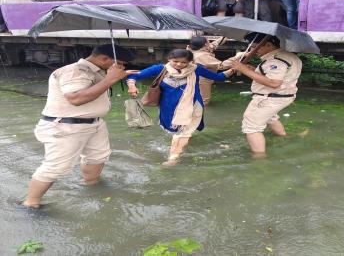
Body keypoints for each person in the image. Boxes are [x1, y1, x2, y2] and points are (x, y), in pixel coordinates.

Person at [23, 44, 137, 208]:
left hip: (93, 123)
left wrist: (118, 76)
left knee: (98, 157)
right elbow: (75, 98)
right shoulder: (75, 71)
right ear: (104, 59)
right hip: (66, 126)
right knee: (55, 167)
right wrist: (110, 79)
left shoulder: (98, 71)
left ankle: (92, 184)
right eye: (120, 63)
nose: (121, 66)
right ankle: (31, 203)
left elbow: (94, 88)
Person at [127, 49, 234, 165]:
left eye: (183, 62)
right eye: (175, 61)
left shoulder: (196, 69)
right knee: (176, 131)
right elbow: (134, 76)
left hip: (193, 106)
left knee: (183, 133)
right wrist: (132, 86)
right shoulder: (160, 69)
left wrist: (234, 69)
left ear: (190, 62)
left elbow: (218, 77)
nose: (179, 64)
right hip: (168, 106)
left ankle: (173, 158)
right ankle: (183, 144)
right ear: (169, 59)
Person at [231, 34, 302, 158]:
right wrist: (254, 71)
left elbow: (274, 82)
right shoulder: (289, 56)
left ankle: (260, 157)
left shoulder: (276, 59)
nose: (253, 51)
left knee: (251, 127)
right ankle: (283, 137)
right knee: (270, 117)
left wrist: (244, 70)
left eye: (255, 47)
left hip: (270, 97)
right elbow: (277, 77)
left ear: (268, 45)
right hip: (282, 96)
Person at [187, 36, 243, 106]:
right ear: (205, 44)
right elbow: (221, 66)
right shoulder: (201, 56)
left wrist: (225, 35)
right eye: (208, 41)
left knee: (197, 95)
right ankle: (201, 112)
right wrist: (237, 56)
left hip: (203, 75)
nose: (210, 43)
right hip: (202, 78)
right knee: (204, 100)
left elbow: (214, 45)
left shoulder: (197, 49)